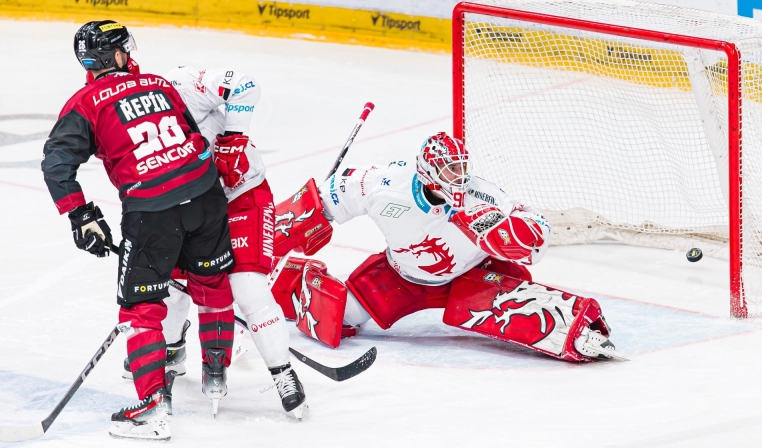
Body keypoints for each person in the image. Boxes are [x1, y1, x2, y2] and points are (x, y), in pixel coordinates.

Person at [42, 20, 237, 440]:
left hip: (152, 211)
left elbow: (56, 163)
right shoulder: (159, 84)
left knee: (140, 307)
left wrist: (81, 215)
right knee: (212, 281)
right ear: (114, 55)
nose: (130, 54)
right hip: (205, 194)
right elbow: (192, 134)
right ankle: (216, 372)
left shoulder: (85, 103)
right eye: (124, 49)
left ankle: (153, 408)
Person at [270, 132, 619, 361]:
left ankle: (581, 334)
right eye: (450, 171)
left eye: (462, 169)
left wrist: (510, 233)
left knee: (521, 308)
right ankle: (283, 281)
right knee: (335, 316)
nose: (460, 178)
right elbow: (323, 199)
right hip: (399, 279)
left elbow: (536, 232)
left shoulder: (483, 196)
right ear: (427, 173)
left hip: (471, 277)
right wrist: (280, 233)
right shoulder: (384, 186)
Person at [117, 65, 308, 420]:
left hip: (240, 194)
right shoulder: (118, 120)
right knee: (168, 288)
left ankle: (282, 372)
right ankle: (171, 350)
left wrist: (232, 139)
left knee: (247, 286)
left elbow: (244, 84)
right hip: (185, 204)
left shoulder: (181, 85)